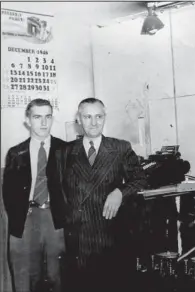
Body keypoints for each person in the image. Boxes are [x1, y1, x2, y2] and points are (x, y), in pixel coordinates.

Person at [53, 98, 147, 292]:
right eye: (87, 117)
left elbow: (140, 179)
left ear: (105, 118)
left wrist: (120, 192)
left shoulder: (120, 148)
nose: (94, 122)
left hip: (111, 234)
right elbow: (58, 193)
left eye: (99, 116)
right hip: (79, 239)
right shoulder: (64, 152)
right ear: (79, 119)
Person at [2, 98, 67, 292]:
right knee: (24, 278)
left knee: (58, 276)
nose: (43, 123)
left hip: (55, 219)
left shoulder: (66, 149)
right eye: (37, 117)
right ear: (28, 121)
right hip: (26, 218)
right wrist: (19, 218)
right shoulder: (16, 153)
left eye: (48, 117)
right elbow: (9, 193)